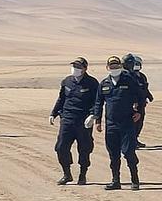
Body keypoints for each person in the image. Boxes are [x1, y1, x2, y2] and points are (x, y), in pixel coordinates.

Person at [92, 56, 146, 190]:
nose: (114, 69)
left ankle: (135, 180)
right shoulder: (104, 83)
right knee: (113, 154)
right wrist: (97, 120)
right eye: (111, 66)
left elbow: (141, 96)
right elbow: (98, 102)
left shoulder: (129, 80)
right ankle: (116, 181)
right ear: (107, 68)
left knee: (128, 152)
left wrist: (139, 111)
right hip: (111, 124)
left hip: (127, 123)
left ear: (120, 67)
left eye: (116, 66)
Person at [50, 57, 99, 185]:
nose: (75, 69)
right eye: (74, 66)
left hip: (83, 122)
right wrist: (53, 113)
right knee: (61, 147)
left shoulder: (92, 83)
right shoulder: (67, 81)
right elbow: (61, 99)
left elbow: (97, 102)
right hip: (67, 119)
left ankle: (83, 175)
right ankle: (67, 174)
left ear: (85, 69)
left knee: (84, 148)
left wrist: (93, 115)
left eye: (78, 67)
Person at [123, 53, 154, 148]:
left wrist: (149, 96)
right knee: (132, 123)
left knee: (139, 123)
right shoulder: (126, 76)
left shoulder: (142, 76)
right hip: (131, 104)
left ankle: (135, 139)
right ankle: (129, 142)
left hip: (141, 104)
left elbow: (144, 88)